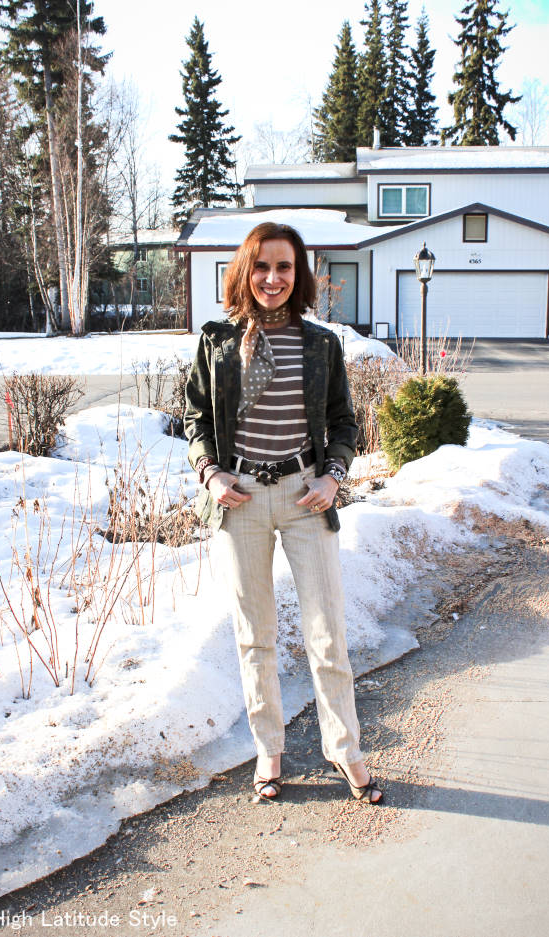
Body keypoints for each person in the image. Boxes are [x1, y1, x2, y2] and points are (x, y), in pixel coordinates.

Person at [184, 222, 383, 805]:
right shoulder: (218, 340)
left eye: (285, 267)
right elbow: (196, 418)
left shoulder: (320, 344)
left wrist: (333, 476)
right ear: (245, 270)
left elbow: (343, 421)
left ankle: (345, 749)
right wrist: (211, 473)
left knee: (327, 632)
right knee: (255, 634)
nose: (273, 278)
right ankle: (268, 751)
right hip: (240, 497)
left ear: (300, 274)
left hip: (304, 496)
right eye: (262, 266)